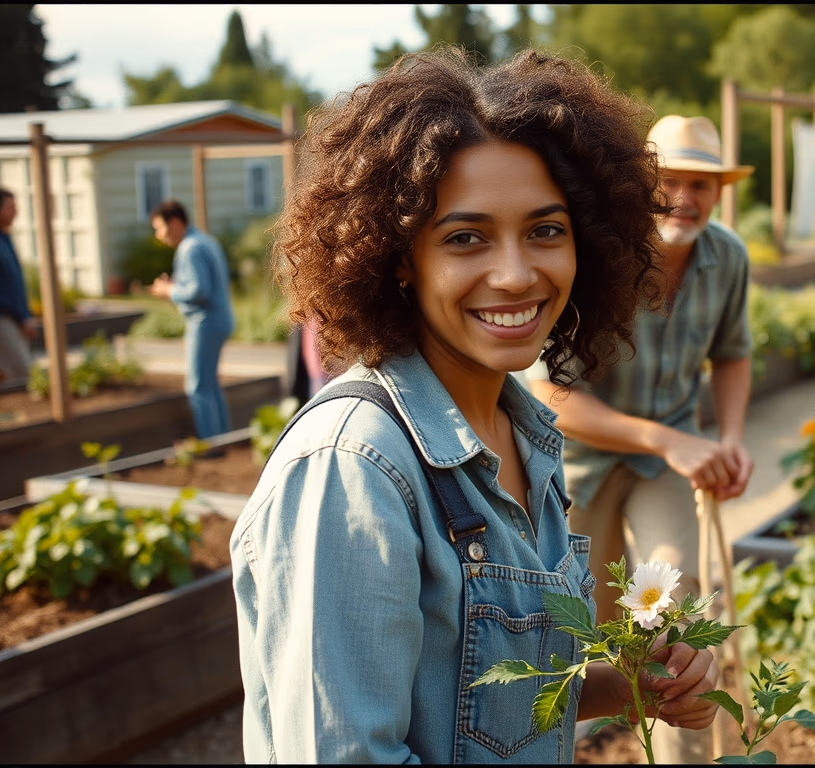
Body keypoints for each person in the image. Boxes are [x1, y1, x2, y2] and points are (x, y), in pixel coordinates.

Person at [229, 47, 720, 763]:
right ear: (398, 255)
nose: (517, 273)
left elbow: (475, 698)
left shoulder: (522, 437)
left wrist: (632, 687)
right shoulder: (354, 469)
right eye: (466, 238)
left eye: (546, 230)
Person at [526, 114, 756, 763]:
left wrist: (731, 437)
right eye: (671, 181)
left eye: (702, 185)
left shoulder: (727, 257)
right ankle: (556, 749)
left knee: (672, 619)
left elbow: (733, 353)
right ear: (641, 186)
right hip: (580, 467)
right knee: (579, 636)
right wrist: (667, 440)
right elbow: (548, 393)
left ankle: (684, 757)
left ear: (719, 193)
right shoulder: (599, 254)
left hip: (665, 469)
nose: (685, 197)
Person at [148, 200, 235, 440]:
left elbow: (199, 290)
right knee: (210, 384)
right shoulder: (204, 240)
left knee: (197, 386)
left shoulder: (190, 247)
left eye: (160, 228)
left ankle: (211, 444)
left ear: (175, 222)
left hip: (204, 322)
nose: (158, 235)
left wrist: (168, 291)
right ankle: (224, 438)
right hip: (219, 319)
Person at [0, 188, 35, 387]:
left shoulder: (5, 238)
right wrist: (20, 315)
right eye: (10, 207)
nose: (16, 212)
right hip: (3, 318)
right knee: (23, 375)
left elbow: (13, 282)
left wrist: (25, 315)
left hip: (14, 318)